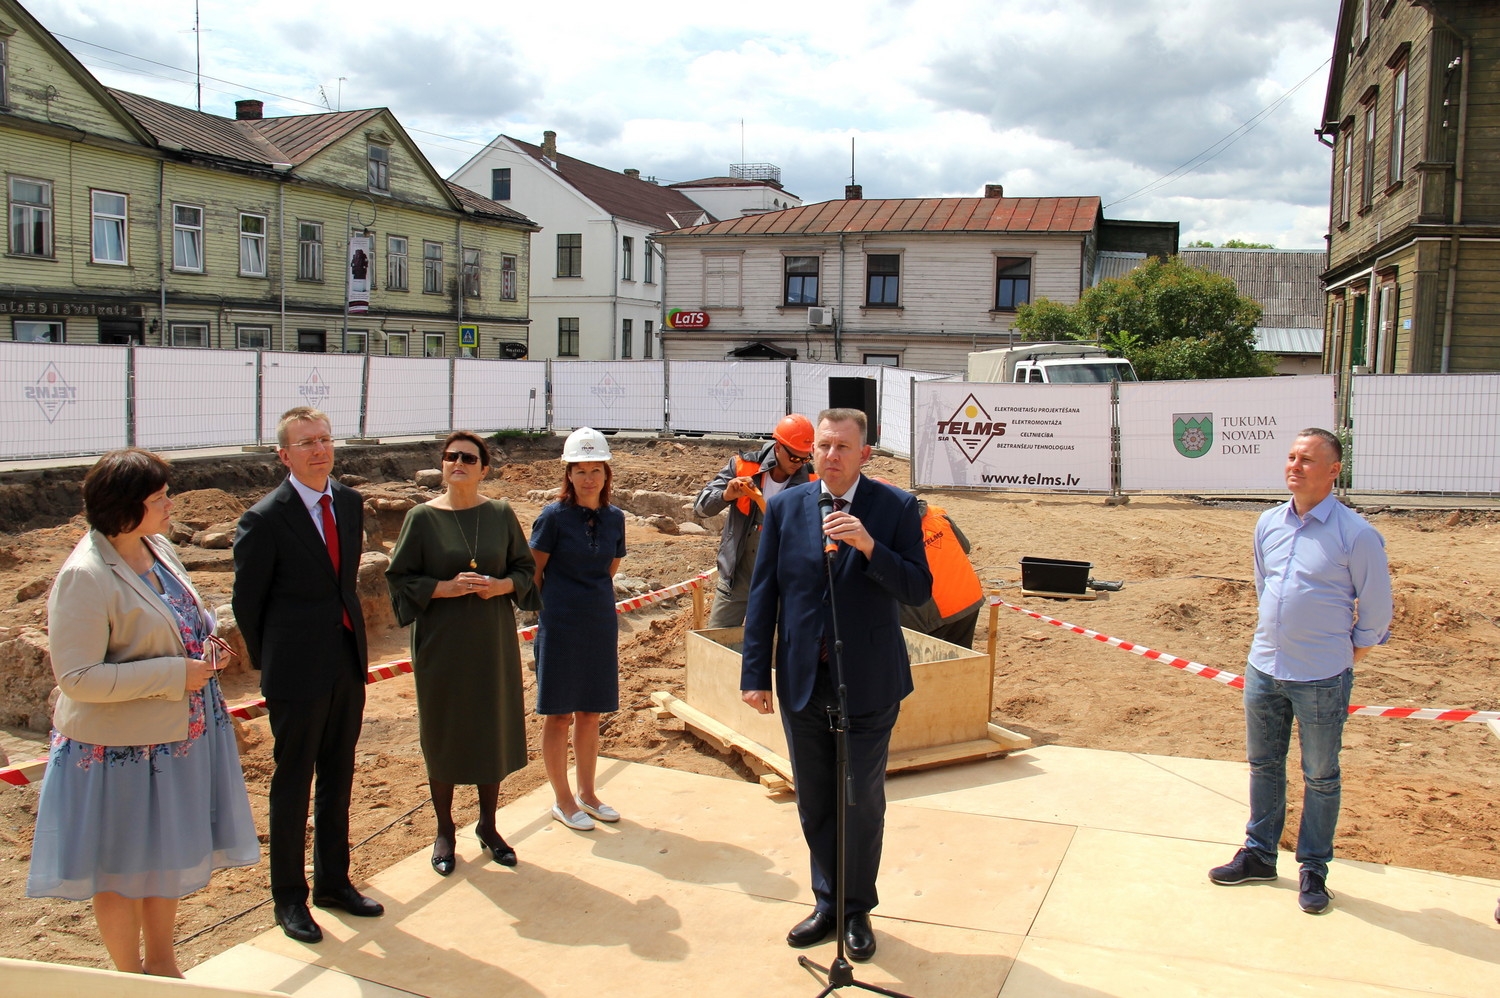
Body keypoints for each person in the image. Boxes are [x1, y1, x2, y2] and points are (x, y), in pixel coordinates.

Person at [28, 449, 258, 977]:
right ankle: (128, 978)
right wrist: (176, 674)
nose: (170, 504)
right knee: (120, 866)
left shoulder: (157, 548)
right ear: (125, 507)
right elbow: (77, 678)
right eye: (160, 498)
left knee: (163, 856)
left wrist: (204, 648)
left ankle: (163, 967)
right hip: (120, 752)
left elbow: (176, 623)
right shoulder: (84, 575)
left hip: (177, 735)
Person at [740, 408, 931, 962]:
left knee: (861, 800)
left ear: (865, 452)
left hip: (868, 681)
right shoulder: (786, 507)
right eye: (823, 446)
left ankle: (856, 910)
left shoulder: (894, 507)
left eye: (843, 447)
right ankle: (827, 902)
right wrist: (755, 673)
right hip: (803, 679)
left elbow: (918, 588)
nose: (830, 456)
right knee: (817, 799)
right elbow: (764, 595)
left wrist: (871, 548)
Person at [1209, 427, 1392, 915]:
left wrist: (1344, 657)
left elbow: (1375, 613)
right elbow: (1264, 586)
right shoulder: (1268, 523)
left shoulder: (1356, 534)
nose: (1295, 466)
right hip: (1264, 666)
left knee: (1320, 774)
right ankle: (1259, 854)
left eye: (1307, 459)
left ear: (1333, 471)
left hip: (1322, 677)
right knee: (1264, 765)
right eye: (1291, 457)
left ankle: (1313, 868)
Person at [232, 407, 382, 944]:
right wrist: (271, 662)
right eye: (306, 443)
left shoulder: (348, 502)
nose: (319, 450)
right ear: (284, 455)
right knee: (294, 782)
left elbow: (343, 582)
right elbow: (247, 604)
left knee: (339, 775)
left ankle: (334, 882)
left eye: (324, 439)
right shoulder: (265, 518)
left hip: (344, 658)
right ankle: (289, 898)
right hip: (296, 669)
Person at [386, 431, 538, 876]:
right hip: (442, 642)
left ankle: (489, 826)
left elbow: (525, 569)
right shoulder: (421, 517)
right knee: (445, 730)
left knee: (490, 727)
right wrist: (444, 588)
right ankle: (445, 829)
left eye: (468, 458)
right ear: (442, 463)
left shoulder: (500, 514)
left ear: (483, 468)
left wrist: (501, 586)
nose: (459, 463)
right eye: (451, 456)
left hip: (491, 640)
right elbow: (399, 579)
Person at [530, 427, 627, 832]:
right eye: (580, 469)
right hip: (561, 625)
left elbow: (610, 568)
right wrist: (557, 609)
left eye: (595, 469)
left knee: (590, 713)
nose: (588, 477)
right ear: (568, 474)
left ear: (606, 474)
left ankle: (588, 794)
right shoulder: (553, 517)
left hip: (599, 624)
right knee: (559, 715)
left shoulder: (615, 518)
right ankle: (563, 799)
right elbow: (534, 572)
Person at [694, 414, 818, 629]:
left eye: (805, 458)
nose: (799, 464)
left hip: (782, 583)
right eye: (794, 458)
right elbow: (700, 509)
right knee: (718, 643)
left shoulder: (812, 481)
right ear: (778, 446)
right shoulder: (743, 466)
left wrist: (759, 499)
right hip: (737, 578)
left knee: (775, 650)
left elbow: (798, 532)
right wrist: (726, 495)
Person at [897, 497, 984, 649]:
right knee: (961, 662)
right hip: (968, 598)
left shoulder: (884, 530)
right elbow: (965, 547)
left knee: (929, 667)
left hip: (929, 615)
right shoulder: (936, 513)